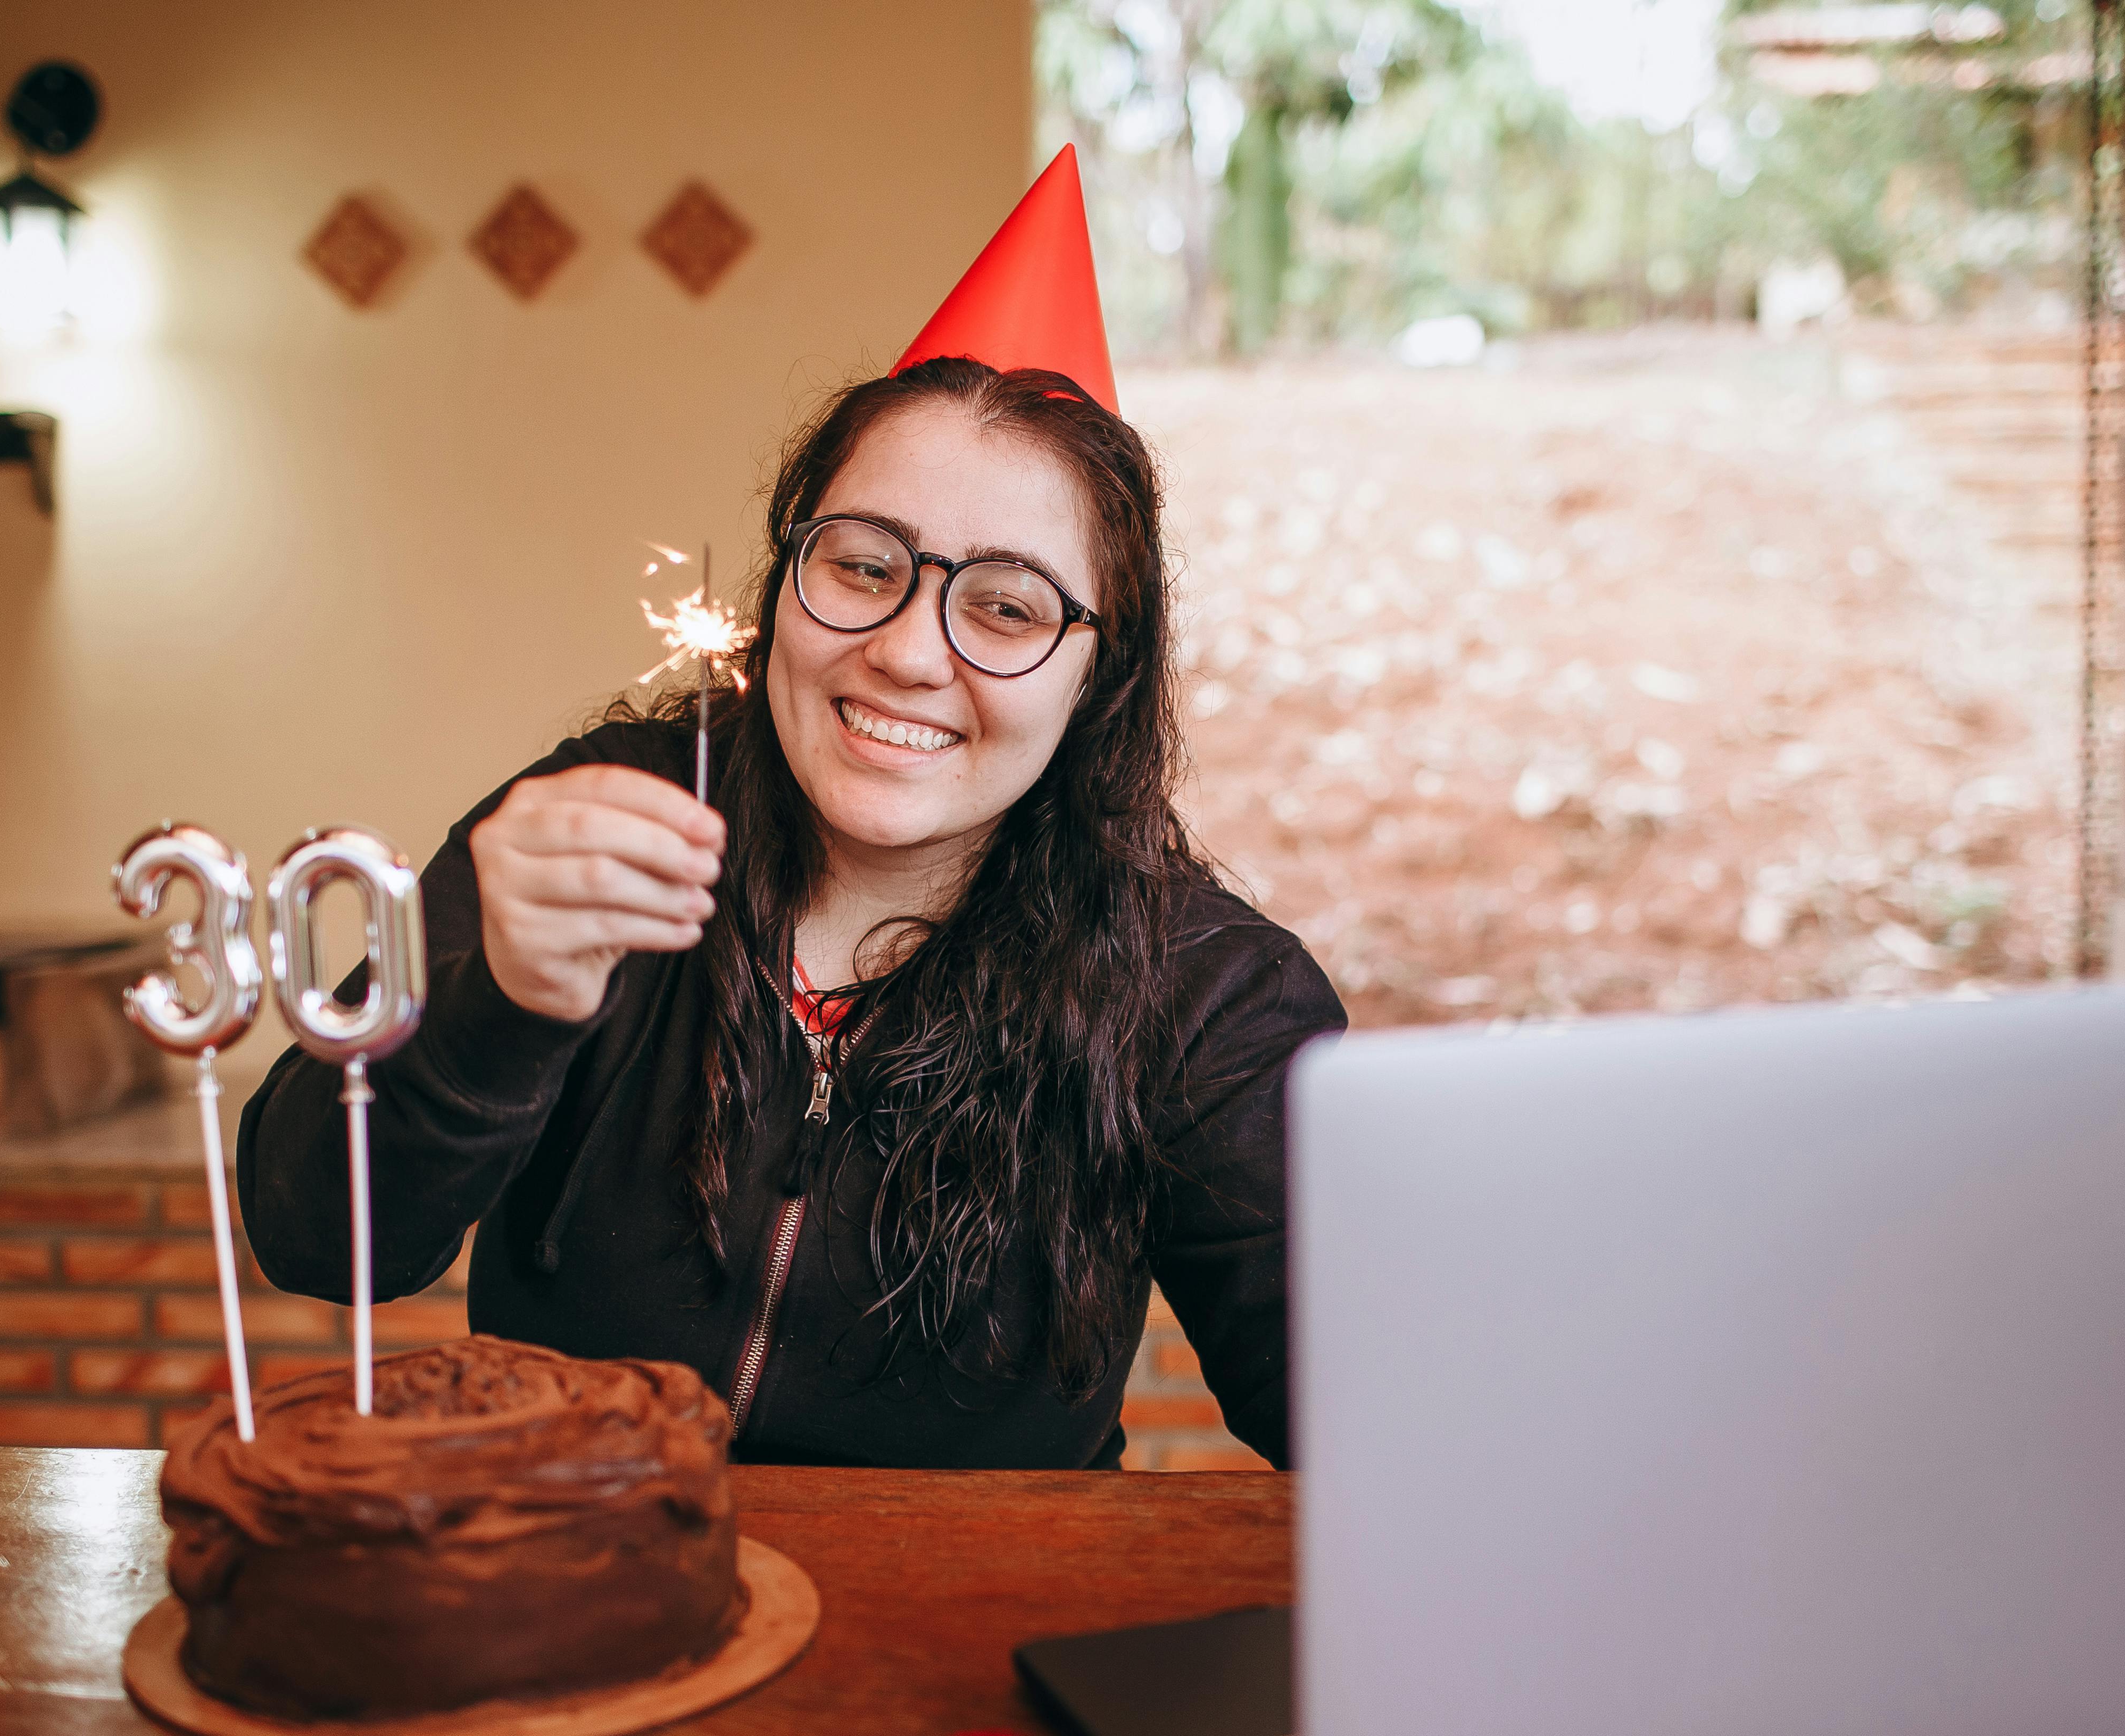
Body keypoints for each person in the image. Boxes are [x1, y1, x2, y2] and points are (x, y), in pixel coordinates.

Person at [239, 151, 1344, 1468]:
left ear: (1098, 672)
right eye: (864, 566)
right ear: (785, 586)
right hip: (587, 1601)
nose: (911, 652)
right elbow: (313, 1237)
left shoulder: (1200, 991)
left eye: (1005, 605)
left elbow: (1366, 1423)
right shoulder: (599, 826)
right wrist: (500, 1005)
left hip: (966, 1648)